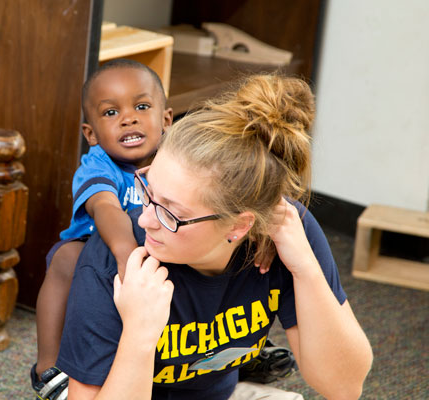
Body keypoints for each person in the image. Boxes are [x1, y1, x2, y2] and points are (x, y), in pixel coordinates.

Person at [56, 74, 374, 399]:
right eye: (149, 191)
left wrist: (306, 268)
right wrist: (139, 331)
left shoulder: (285, 229)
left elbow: (345, 387)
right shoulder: (114, 263)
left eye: (172, 212)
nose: (147, 218)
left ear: (240, 226)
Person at [32, 59, 173, 398]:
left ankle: (237, 351)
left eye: (142, 106)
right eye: (111, 113)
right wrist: (126, 253)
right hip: (99, 253)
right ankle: (48, 369)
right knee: (64, 257)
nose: (128, 118)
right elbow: (106, 207)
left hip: (164, 246)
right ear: (91, 133)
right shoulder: (97, 165)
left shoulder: (177, 158)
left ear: (166, 119)